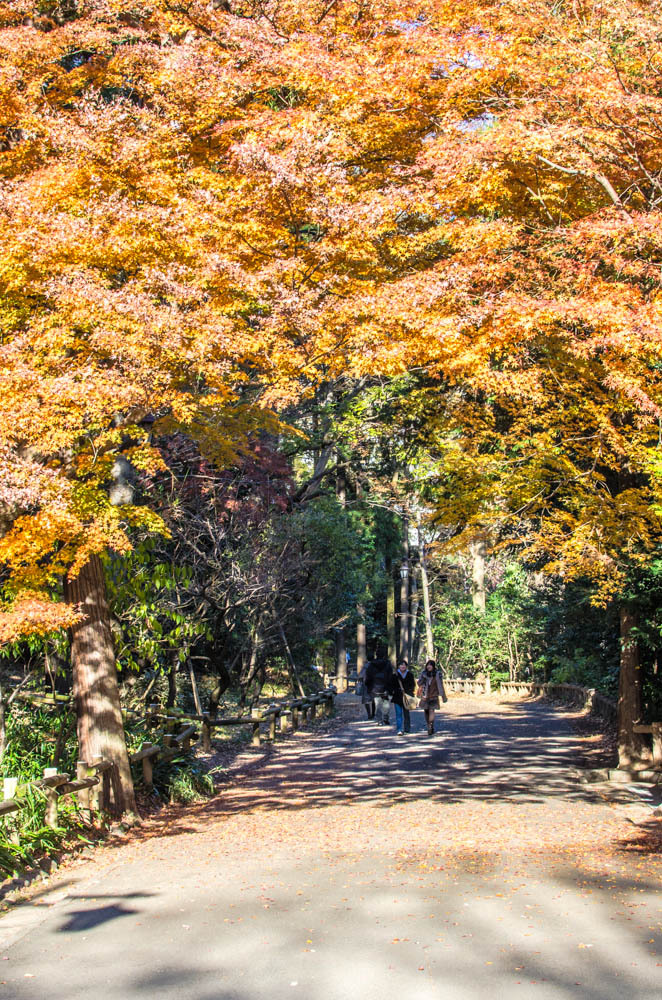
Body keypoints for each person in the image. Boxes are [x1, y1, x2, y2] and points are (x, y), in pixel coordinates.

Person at [417, 659, 448, 736]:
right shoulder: (423, 674)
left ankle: (430, 725)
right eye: (428, 665)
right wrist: (423, 679)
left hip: (434, 695)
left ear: (433, 666)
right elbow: (419, 683)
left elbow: (440, 685)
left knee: (432, 710)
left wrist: (443, 696)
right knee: (426, 711)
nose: (429, 666)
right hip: (425, 695)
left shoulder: (437, 674)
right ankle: (429, 725)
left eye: (430, 665)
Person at [365, 656, 394, 725]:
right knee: (386, 703)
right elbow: (390, 676)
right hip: (385, 687)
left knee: (377, 704)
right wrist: (390, 687)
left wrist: (368, 685)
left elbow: (368, 676)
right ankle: (385, 718)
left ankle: (379, 720)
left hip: (375, 687)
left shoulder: (372, 664)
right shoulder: (388, 664)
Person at [392, 659, 415, 735]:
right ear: (398, 666)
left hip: (407, 697)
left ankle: (407, 729)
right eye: (401, 665)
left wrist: (410, 692)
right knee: (398, 714)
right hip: (397, 697)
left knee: (406, 713)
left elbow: (413, 685)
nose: (403, 666)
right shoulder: (395, 675)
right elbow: (390, 685)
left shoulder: (410, 675)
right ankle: (399, 729)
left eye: (404, 665)